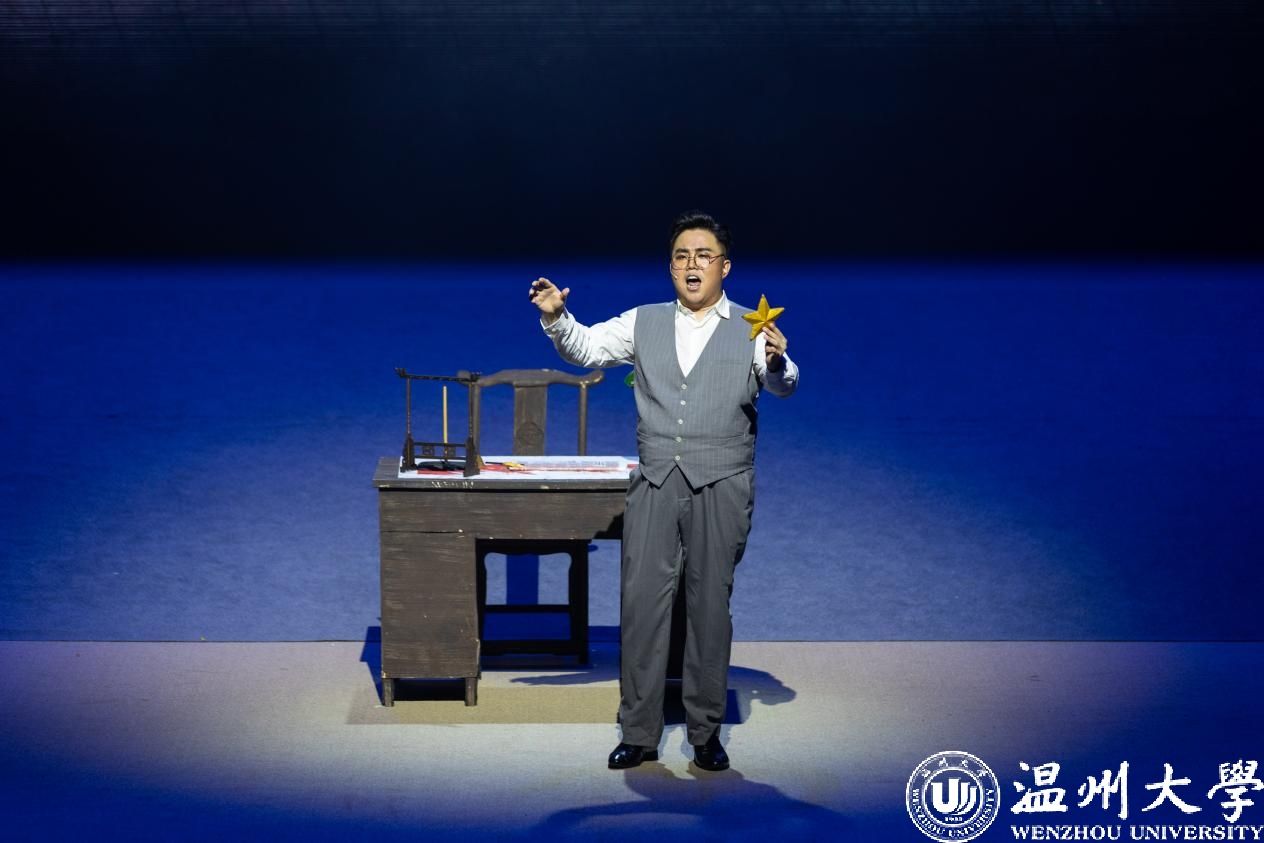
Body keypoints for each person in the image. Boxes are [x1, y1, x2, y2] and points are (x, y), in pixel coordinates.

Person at [529, 210, 799, 771]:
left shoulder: (752, 327)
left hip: (721, 483)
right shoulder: (643, 321)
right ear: (671, 267)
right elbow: (586, 347)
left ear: (724, 267)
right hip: (655, 482)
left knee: (709, 608)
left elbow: (783, 384)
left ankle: (705, 733)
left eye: (703, 255)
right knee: (642, 606)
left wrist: (776, 363)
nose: (691, 265)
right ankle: (639, 731)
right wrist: (557, 318)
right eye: (681, 256)